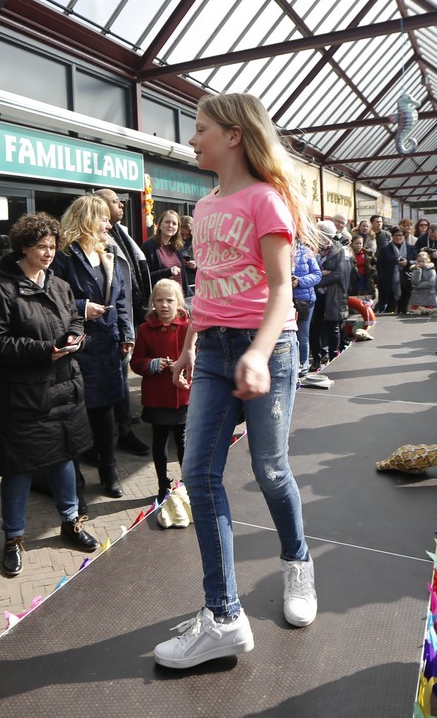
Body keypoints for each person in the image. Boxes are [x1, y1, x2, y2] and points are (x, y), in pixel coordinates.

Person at [153, 92, 316, 670]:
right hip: (214, 353)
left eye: (200, 128)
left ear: (233, 135)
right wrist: (190, 347)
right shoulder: (203, 207)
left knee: (270, 470)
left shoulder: (266, 200)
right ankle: (223, 615)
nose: (191, 138)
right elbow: (207, 288)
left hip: (266, 349)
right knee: (199, 474)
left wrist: (260, 354)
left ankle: (297, 564)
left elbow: (281, 290)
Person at [0, 212, 98, 578]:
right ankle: (13, 537)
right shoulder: (1, 289)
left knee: (64, 457)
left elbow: (74, 318)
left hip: (63, 388)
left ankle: (71, 521)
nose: (48, 253)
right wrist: (45, 350)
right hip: (22, 397)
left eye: (52, 246)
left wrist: (75, 336)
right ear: (23, 247)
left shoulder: (58, 284)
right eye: (40, 247)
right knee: (19, 468)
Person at [53, 194, 134, 498]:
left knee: (105, 411)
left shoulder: (108, 252)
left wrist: (126, 333)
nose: (108, 225)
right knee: (77, 412)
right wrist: (82, 307)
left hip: (108, 344)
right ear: (86, 219)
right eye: (102, 219)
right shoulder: (63, 255)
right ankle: (75, 481)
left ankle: (108, 471)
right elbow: (52, 298)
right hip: (79, 344)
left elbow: (120, 298)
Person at [95, 188, 150, 457]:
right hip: (106, 324)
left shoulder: (121, 234)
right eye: (116, 201)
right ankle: (118, 432)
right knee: (113, 379)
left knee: (121, 376)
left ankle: (123, 424)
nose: (122, 205)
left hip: (126, 317)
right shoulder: (94, 242)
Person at [131, 279, 191, 500]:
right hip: (157, 395)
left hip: (183, 395)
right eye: (159, 300)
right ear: (152, 303)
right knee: (159, 441)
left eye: (169, 300)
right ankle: (162, 484)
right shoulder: (145, 329)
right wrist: (152, 364)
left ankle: (187, 481)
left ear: (179, 303)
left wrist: (184, 365)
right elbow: (136, 362)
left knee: (184, 442)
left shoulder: (189, 328)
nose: (164, 305)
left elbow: (199, 356)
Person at [311, 220, 351, 369]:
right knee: (314, 327)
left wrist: (318, 279)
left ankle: (334, 359)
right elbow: (309, 270)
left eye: (319, 234)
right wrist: (320, 274)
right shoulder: (313, 249)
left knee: (333, 326)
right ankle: (316, 358)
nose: (316, 236)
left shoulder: (340, 250)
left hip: (333, 294)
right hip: (316, 295)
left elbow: (339, 274)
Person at [291, 240, 322, 379]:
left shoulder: (305, 252)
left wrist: (300, 281)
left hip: (304, 301)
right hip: (283, 300)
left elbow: (317, 275)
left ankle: (303, 365)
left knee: (302, 335)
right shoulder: (276, 249)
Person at [143, 209, 190, 298]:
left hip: (178, 299)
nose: (170, 225)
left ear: (178, 228)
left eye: (174, 223)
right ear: (159, 225)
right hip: (161, 299)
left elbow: (183, 277)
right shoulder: (149, 246)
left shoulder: (177, 246)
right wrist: (167, 271)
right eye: (167, 222)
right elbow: (145, 277)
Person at [376, 226, 414, 315]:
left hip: (406, 283)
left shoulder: (411, 248)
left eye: (400, 235)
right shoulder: (385, 249)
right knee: (389, 309)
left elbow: (416, 261)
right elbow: (380, 265)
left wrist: (407, 262)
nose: (398, 237)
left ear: (404, 236)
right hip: (389, 283)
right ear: (392, 236)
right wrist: (382, 279)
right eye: (396, 235)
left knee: (404, 309)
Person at [406, 250, 437, 315]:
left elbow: (431, 283)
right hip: (416, 297)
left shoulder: (431, 270)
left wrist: (418, 286)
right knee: (415, 313)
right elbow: (414, 282)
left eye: (423, 261)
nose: (420, 263)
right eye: (419, 261)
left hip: (429, 297)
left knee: (428, 313)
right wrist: (418, 271)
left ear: (427, 261)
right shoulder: (414, 270)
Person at [178, 214, 197, 293]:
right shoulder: (173, 242)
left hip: (193, 281)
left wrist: (196, 265)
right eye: (182, 234)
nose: (185, 238)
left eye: (188, 235)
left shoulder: (197, 242)